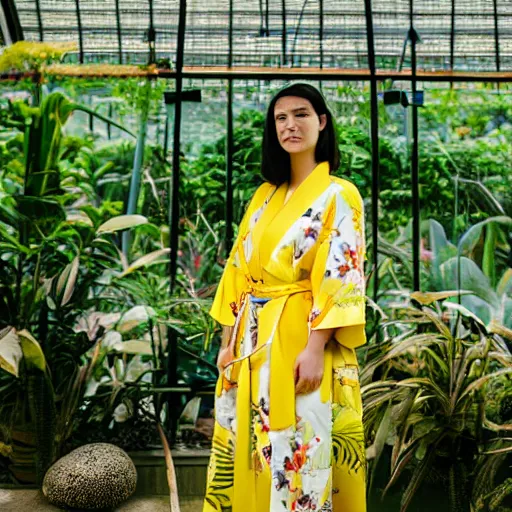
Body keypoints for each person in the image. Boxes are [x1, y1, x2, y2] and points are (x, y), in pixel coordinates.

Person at [203, 83, 366, 512]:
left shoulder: (339, 194)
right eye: (280, 118)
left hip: (302, 340)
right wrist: (225, 344)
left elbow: (341, 274)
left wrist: (316, 348)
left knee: (302, 446)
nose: (290, 125)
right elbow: (237, 270)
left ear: (322, 121)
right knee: (252, 450)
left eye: (301, 114)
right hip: (252, 343)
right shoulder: (264, 195)